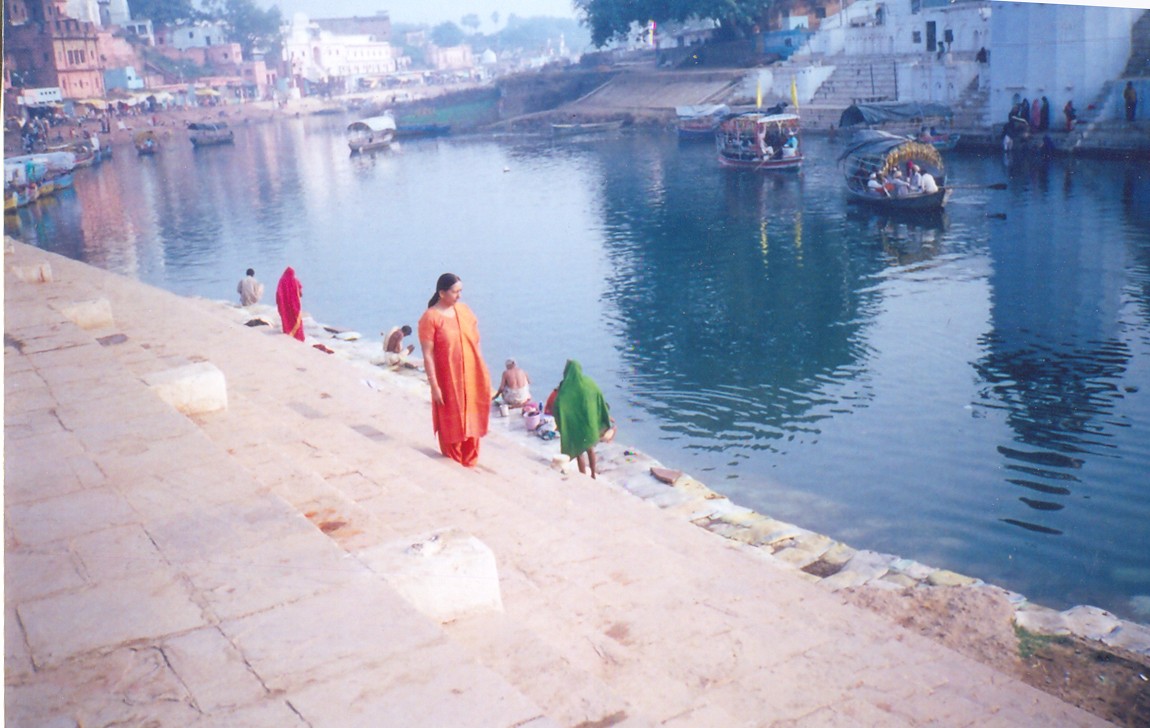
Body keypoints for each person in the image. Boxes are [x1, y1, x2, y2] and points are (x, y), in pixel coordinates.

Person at [418, 273, 492, 467]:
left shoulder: (465, 311)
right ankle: (455, 464)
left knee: (472, 422)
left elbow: (476, 341)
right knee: (453, 425)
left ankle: (471, 464)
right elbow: (427, 355)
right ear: (442, 293)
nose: (459, 296)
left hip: (471, 376)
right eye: (455, 292)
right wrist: (434, 386)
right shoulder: (430, 317)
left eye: (460, 291)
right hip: (448, 381)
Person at [551, 359, 612, 479]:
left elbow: (558, 404)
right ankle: (593, 474)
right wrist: (599, 415)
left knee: (579, 452)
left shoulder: (565, 387)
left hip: (575, 425)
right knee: (590, 449)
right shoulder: (589, 383)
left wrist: (561, 422)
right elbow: (599, 397)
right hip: (588, 424)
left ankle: (583, 475)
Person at [275, 267, 305, 341]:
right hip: (294, 305)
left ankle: (288, 332)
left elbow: (278, 294)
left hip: (285, 305)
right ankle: (298, 337)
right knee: (296, 320)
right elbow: (300, 293)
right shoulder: (295, 281)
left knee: (286, 318)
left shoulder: (281, 281)